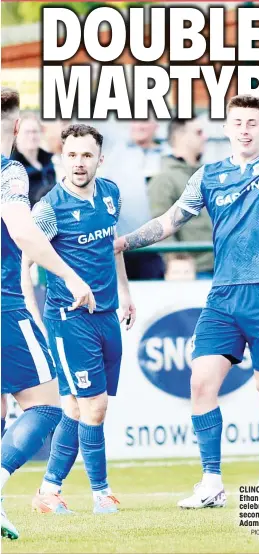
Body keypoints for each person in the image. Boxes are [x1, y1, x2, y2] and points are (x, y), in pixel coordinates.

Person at [114, 85, 259, 508]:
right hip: (222, 296)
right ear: (226, 129)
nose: (244, 130)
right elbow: (170, 221)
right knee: (200, 381)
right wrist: (126, 242)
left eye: (252, 123)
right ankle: (211, 483)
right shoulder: (208, 176)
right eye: (237, 123)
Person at [21, 123, 136, 516]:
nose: (79, 163)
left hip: (106, 314)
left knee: (75, 409)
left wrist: (125, 291)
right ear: (61, 158)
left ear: (99, 159)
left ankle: (48, 492)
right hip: (69, 319)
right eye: (71, 155)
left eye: (87, 155)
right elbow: (26, 260)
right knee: (95, 406)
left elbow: (113, 244)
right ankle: (101, 493)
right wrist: (34, 314)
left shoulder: (110, 194)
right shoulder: (49, 209)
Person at [1, 88, 95, 540]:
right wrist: (71, 276)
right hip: (4, 304)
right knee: (46, 407)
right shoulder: (11, 171)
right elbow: (22, 230)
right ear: (18, 128)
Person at [148, 117, 214, 279]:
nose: (204, 137)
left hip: (223, 267)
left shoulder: (208, 175)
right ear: (180, 137)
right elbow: (160, 226)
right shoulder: (164, 179)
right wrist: (178, 262)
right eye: (198, 132)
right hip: (196, 272)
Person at [100, 119, 165, 280]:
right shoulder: (114, 152)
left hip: (157, 248)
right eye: (136, 120)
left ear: (156, 125)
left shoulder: (166, 155)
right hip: (122, 245)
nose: (140, 125)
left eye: (146, 120)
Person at [11, 112, 56, 207]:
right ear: (17, 134)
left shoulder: (49, 160)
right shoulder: (11, 166)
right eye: (27, 132)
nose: (32, 136)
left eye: (35, 131)